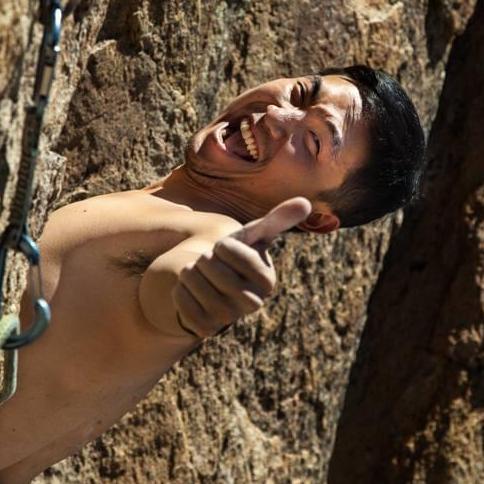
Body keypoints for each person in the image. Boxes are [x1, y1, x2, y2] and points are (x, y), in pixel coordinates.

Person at [0, 65, 425, 483]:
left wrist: (207, 285)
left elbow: (181, 284)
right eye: (299, 94)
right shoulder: (170, 206)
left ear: (315, 219)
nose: (277, 116)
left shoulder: (210, 233)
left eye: (313, 141)